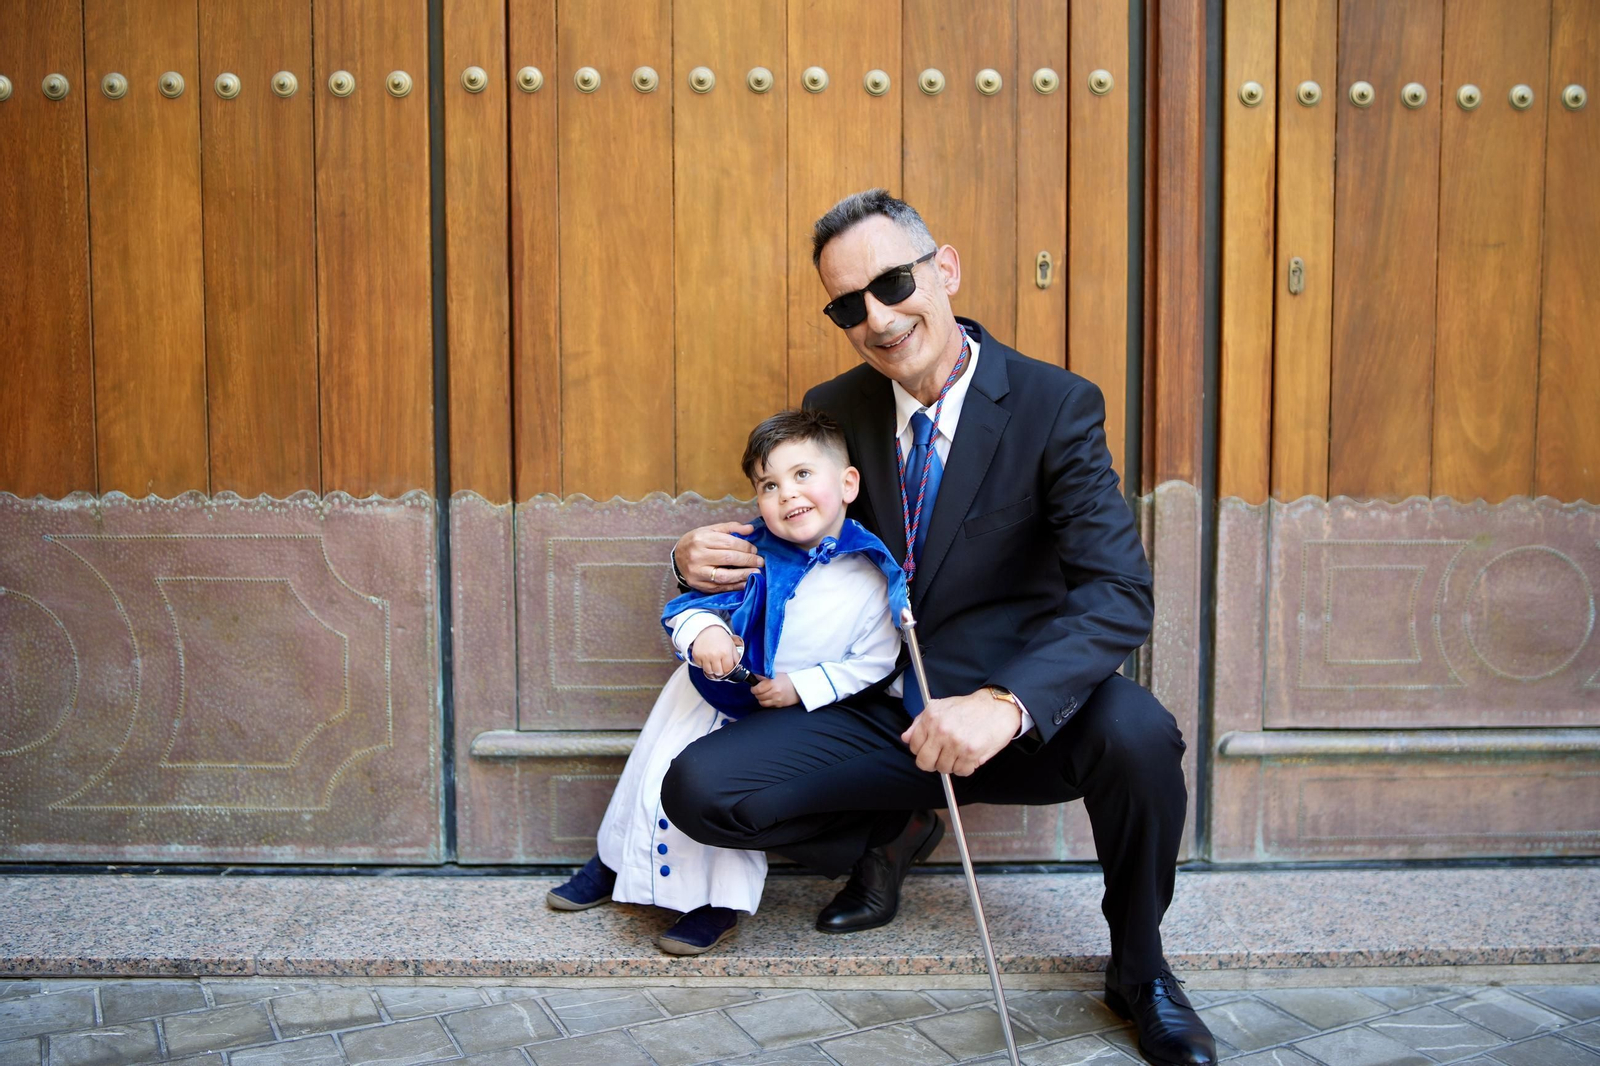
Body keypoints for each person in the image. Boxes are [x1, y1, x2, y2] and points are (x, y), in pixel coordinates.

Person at [661, 190, 1217, 1065]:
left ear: (945, 268)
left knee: (1143, 737)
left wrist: (1008, 701)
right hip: (879, 706)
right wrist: (699, 559)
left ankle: (1140, 968)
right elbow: (798, 529)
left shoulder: (1054, 404)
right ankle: (893, 826)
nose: (878, 319)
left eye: (893, 284)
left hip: (1017, 715)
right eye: (850, 305)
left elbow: (1118, 589)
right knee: (698, 790)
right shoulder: (834, 404)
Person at [547, 409, 909, 956]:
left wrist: (801, 686)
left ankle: (718, 903)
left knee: (728, 795)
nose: (788, 494)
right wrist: (706, 633)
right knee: (646, 785)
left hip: (772, 714)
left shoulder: (873, 575)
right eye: (770, 485)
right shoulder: (749, 553)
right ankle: (612, 862)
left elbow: (875, 660)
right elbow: (691, 605)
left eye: (803, 475)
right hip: (700, 697)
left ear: (848, 482)